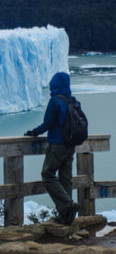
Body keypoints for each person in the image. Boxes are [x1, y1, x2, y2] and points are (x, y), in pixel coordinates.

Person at [25, 71, 79, 225]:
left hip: (57, 145)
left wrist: (33, 132)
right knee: (65, 179)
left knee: (47, 174)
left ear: (55, 84)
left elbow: (47, 124)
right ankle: (66, 216)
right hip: (71, 145)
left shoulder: (55, 101)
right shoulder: (72, 101)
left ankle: (67, 206)